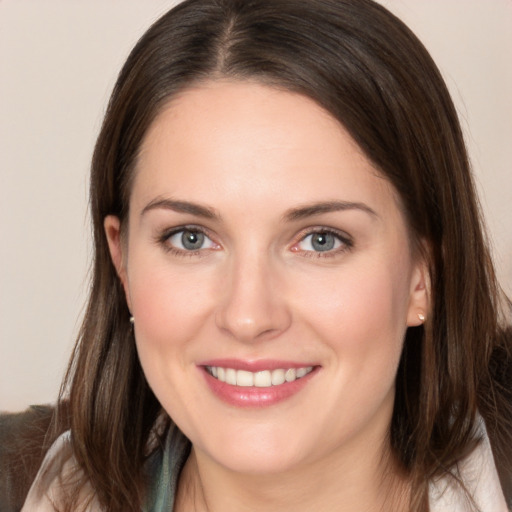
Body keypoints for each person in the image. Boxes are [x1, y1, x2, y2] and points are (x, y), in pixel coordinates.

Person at [18, 0, 512, 510]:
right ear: (123, 263)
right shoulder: (53, 492)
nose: (248, 316)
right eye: (190, 238)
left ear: (423, 275)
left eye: (322, 239)